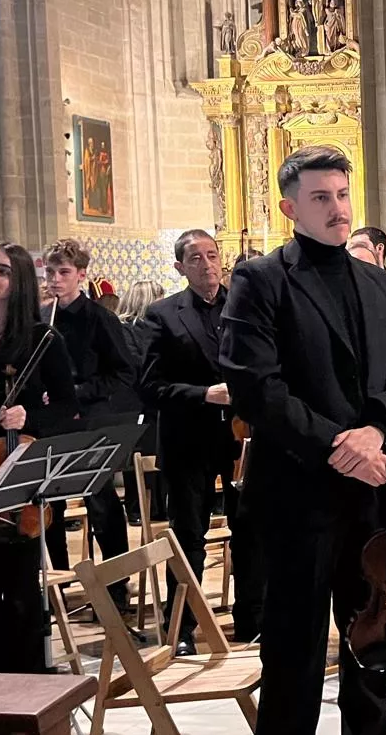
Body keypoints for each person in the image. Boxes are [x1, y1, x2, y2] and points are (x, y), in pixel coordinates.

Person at [219, 145, 386, 735]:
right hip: (297, 495)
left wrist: (375, 432)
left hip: (371, 494)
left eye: (341, 194)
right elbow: (256, 385)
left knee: (371, 642)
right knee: (294, 653)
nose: (337, 209)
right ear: (290, 208)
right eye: (320, 198)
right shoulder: (260, 281)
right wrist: (340, 443)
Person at [139, 230, 262, 651]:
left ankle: (253, 620)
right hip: (188, 439)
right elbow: (150, 386)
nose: (207, 264)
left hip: (242, 438)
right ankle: (184, 628)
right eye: (195, 258)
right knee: (187, 536)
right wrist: (203, 394)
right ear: (180, 267)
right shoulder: (162, 315)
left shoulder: (246, 305)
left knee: (250, 531)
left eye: (212, 256)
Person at [0, 242, 77, 673]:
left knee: (24, 601)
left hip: (16, 486)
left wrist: (33, 418)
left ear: (20, 282)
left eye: (3, 271)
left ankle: (29, 709)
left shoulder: (42, 340)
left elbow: (67, 408)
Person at [41, 238, 133, 605]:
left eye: (64, 272)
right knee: (50, 507)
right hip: (50, 422)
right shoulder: (42, 317)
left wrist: (78, 393)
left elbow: (123, 373)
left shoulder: (100, 319)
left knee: (101, 503)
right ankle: (59, 587)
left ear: (81, 275)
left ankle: (116, 586)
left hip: (90, 421)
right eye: (50, 272)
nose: (55, 279)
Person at [115, 279, 166, 525]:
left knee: (157, 455)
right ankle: (138, 509)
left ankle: (159, 507)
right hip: (135, 404)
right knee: (139, 457)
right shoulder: (125, 329)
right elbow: (134, 365)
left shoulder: (155, 327)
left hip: (156, 403)